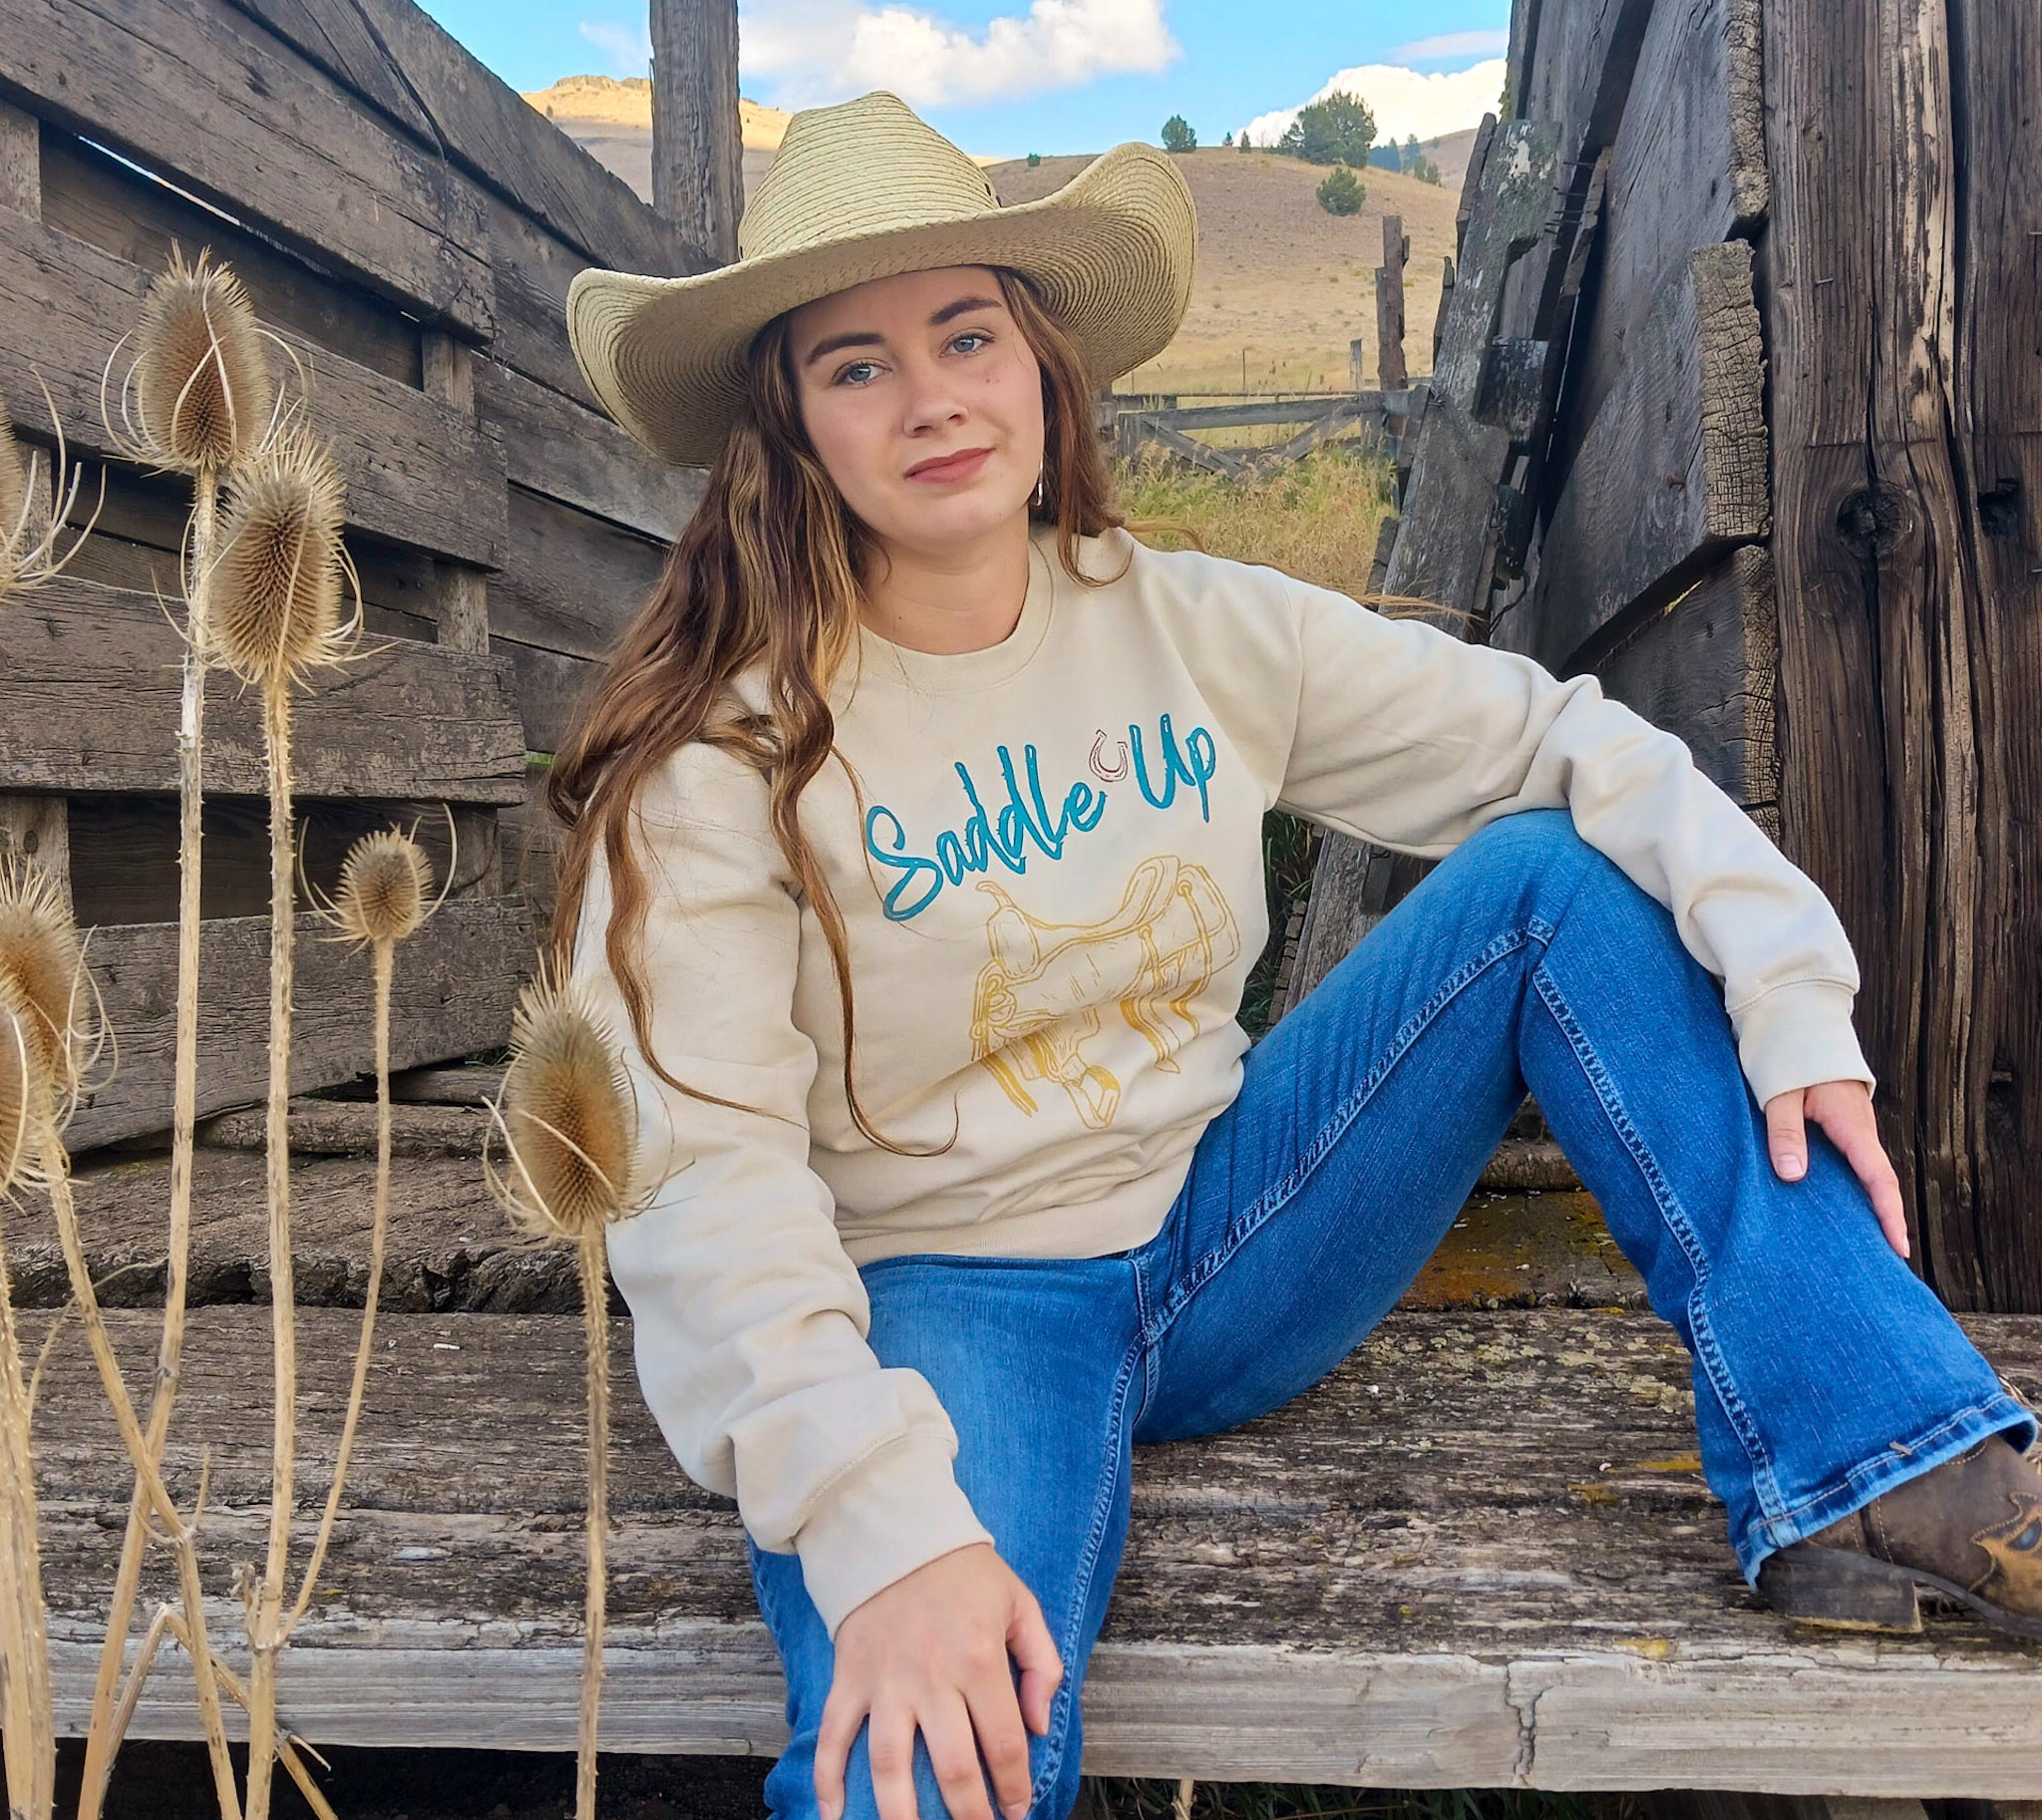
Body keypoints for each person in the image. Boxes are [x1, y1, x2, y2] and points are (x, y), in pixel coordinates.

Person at [551, 92, 2041, 1820]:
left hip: (1233, 1226)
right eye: (858, 365)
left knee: (1550, 878)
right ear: (792, 428)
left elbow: (1566, 741)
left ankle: (1890, 1473)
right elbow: (702, 1177)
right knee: (929, 1757)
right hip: (947, 1314)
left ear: (1041, 365)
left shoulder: (1193, 627)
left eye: (968, 333)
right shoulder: (719, 763)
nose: (935, 395)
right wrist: (873, 1521)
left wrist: (1794, 994)